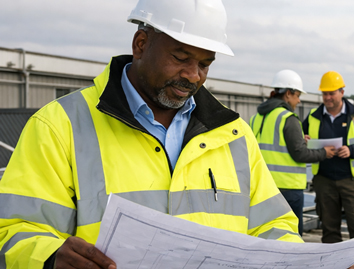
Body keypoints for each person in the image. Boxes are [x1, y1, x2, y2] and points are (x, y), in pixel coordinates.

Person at [0, 1, 301, 268]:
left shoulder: (234, 134)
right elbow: (17, 229)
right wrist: (49, 258)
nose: (193, 75)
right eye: (180, 58)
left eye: (204, 64)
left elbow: (273, 226)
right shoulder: (59, 126)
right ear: (141, 44)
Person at [249, 69, 337, 236]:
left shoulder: (255, 118)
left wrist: (298, 139)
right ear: (288, 94)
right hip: (288, 189)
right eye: (297, 95)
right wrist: (324, 153)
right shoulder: (288, 118)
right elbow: (300, 154)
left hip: (262, 187)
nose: (298, 100)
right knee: (291, 235)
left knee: (266, 234)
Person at [302, 71, 354, 245]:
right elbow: (300, 138)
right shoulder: (313, 116)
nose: (328, 98)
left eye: (331, 93)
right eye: (324, 94)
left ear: (342, 92)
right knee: (329, 229)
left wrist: (351, 150)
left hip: (352, 180)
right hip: (324, 180)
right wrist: (302, 138)